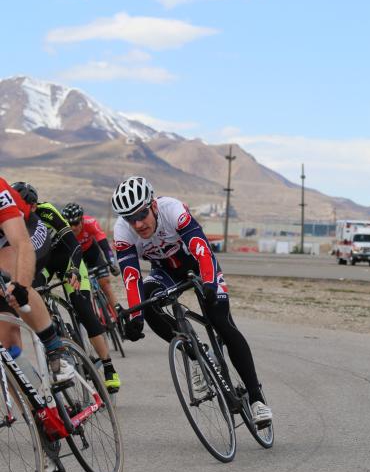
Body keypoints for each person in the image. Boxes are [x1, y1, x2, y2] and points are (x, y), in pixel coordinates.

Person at [111, 176, 272, 426]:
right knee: (147, 303)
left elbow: (201, 248)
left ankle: (256, 398)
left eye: (142, 214)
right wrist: (135, 317)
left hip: (198, 266)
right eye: (131, 218)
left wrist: (208, 282)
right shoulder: (122, 231)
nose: (138, 223)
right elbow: (131, 276)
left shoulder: (171, 210)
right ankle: (196, 353)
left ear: (153, 205)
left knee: (221, 321)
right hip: (164, 271)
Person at [12, 183, 121, 393]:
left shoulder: (47, 212)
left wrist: (73, 270)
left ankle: (109, 367)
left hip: (67, 258)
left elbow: (75, 245)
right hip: (44, 264)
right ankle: (56, 337)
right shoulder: (13, 222)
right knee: (33, 294)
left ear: (34, 206)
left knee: (83, 308)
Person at [0, 177, 74, 384]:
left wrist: (21, 285)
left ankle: (56, 349)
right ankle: (38, 409)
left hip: (24, 230)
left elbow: (22, 244)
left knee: (7, 275)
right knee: (6, 345)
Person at [61, 203, 120, 313]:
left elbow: (105, 246)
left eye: (76, 223)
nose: (73, 227)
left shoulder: (90, 223)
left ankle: (120, 316)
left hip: (92, 253)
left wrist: (111, 262)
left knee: (105, 284)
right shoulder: (63, 230)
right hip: (76, 258)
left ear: (82, 220)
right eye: (70, 224)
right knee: (82, 291)